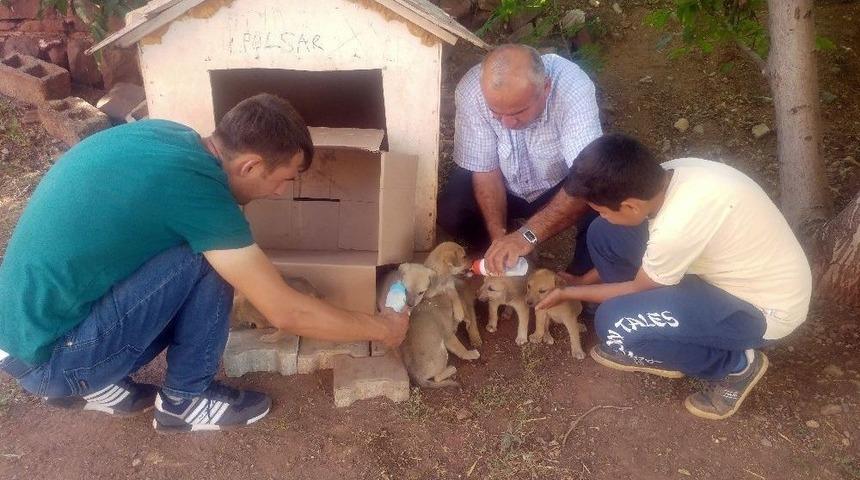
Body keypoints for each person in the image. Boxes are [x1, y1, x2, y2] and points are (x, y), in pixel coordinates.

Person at [0, 94, 408, 433]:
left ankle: (93, 380)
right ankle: (183, 402)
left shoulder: (171, 135)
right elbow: (287, 312)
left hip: (23, 337)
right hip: (54, 361)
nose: (283, 192)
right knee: (208, 258)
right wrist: (382, 327)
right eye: (284, 178)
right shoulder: (200, 196)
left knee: (201, 248)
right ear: (249, 165)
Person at [537, 133, 811, 420]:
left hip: (760, 310)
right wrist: (584, 282)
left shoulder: (675, 231)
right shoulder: (671, 174)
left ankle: (736, 365)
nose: (601, 215)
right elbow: (640, 265)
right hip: (736, 275)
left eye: (602, 211)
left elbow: (638, 285)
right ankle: (650, 325)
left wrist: (569, 292)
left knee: (613, 325)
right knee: (605, 234)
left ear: (631, 205)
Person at [437, 43, 603, 275]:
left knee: (603, 199)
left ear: (545, 88)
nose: (507, 124)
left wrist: (528, 234)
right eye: (497, 113)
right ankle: (497, 252)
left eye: (518, 112)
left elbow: (587, 177)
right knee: (451, 209)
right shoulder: (472, 91)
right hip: (506, 183)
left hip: (560, 184)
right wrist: (500, 238)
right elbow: (486, 171)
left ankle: (578, 283)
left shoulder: (572, 87)